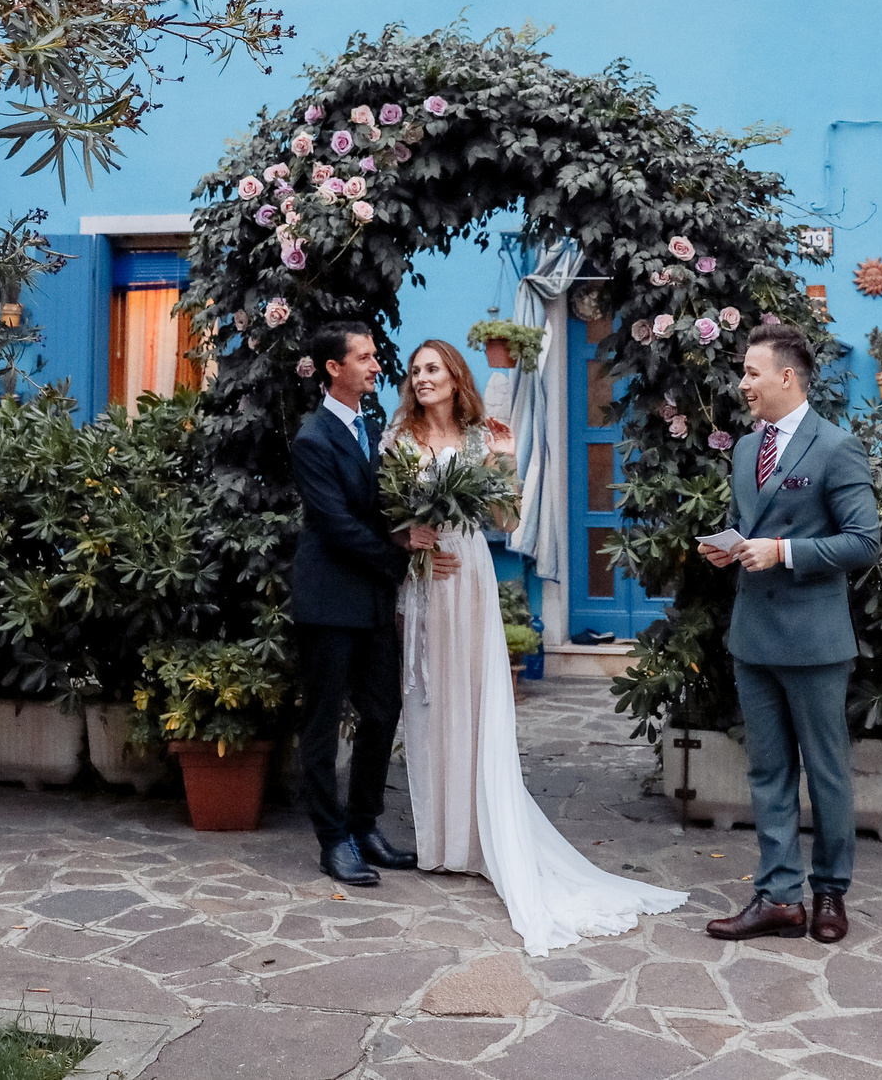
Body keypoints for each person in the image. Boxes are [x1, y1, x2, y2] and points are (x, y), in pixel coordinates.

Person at [392, 338, 687, 954]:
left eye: (433, 369)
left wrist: (499, 467)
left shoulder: (484, 437)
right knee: (427, 703)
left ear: (455, 377)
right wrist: (408, 535)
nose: (422, 379)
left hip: (467, 576)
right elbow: (383, 517)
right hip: (424, 582)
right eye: (415, 371)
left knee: (472, 700)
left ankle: (479, 838)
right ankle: (439, 840)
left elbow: (505, 520)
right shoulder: (399, 439)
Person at [698, 317, 882, 945]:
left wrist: (783, 551)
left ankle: (830, 891)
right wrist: (730, 548)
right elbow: (746, 523)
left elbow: (865, 541)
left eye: (751, 373)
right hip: (753, 637)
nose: (742, 383)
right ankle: (779, 896)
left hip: (813, 640)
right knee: (768, 772)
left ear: (785, 376)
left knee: (826, 771)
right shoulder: (748, 449)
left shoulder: (837, 447)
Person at [289, 318, 456, 888]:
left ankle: (364, 825)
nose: (375, 364)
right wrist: (400, 547)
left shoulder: (375, 425)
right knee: (322, 723)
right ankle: (332, 839)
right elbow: (335, 526)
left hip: (374, 599)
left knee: (382, 712)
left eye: (373, 356)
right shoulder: (313, 438)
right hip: (329, 600)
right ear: (334, 369)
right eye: (363, 357)